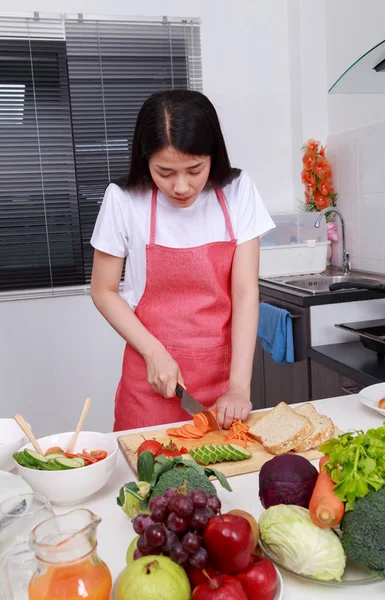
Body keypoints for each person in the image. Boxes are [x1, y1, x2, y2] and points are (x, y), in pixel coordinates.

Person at [90, 89, 274, 432]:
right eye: (164, 171)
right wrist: (152, 352)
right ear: (145, 159)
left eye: (194, 169)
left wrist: (238, 387)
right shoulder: (124, 199)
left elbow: (246, 291)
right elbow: (103, 290)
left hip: (223, 383)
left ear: (212, 155)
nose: (181, 186)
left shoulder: (238, 190)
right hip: (151, 381)